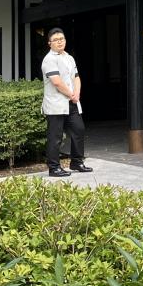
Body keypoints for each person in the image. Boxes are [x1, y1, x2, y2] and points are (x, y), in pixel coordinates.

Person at [42, 27, 93, 177]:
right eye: (56, 40)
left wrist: (77, 93)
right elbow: (57, 82)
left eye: (62, 39)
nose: (59, 42)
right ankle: (54, 167)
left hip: (71, 102)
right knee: (55, 137)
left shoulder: (69, 58)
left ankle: (77, 162)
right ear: (49, 43)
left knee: (79, 129)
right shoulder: (49, 59)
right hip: (56, 104)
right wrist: (72, 95)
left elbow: (76, 77)